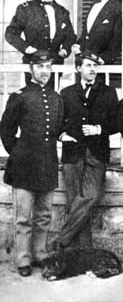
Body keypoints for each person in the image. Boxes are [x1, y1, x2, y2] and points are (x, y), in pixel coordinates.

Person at [0, 50, 64, 276]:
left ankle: (40, 254)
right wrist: (17, 153)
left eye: (48, 67)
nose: (44, 71)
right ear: (31, 69)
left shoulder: (56, 98)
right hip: (24, 166)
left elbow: (57, 129)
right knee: (24, 217)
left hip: (47, 163)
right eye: (40, 67)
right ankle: (23, 260)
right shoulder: (20, 96)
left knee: (45, 215)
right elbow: (6, 129)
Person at [51, 51, 119, 253]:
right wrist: (61, 135)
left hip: (96, 152)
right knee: (74, 201)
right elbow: (55, 122)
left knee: (91, 196)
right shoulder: (66, 93)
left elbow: (118, 122)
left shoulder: (108, 92)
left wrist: (99, 129)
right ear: (78, 68)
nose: (92, 70)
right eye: (88, 65)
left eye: (94, 66)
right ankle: (82, 253)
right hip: (72, 152)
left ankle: (61, 241)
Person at [5, 0, 76, 65]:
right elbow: (11, 34)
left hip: (55, 64)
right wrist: (27, 49)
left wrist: (65, 50)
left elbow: (70, 35)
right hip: (33, 62)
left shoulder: (62, 12)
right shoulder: (26, 9)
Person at [73, 0, 121, 65]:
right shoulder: (93, 5)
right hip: (86, 63)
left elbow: (118, 38)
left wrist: (105, 59)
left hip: (104, 65)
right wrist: (78, 45)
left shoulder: (118, 7)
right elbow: (87, 34)